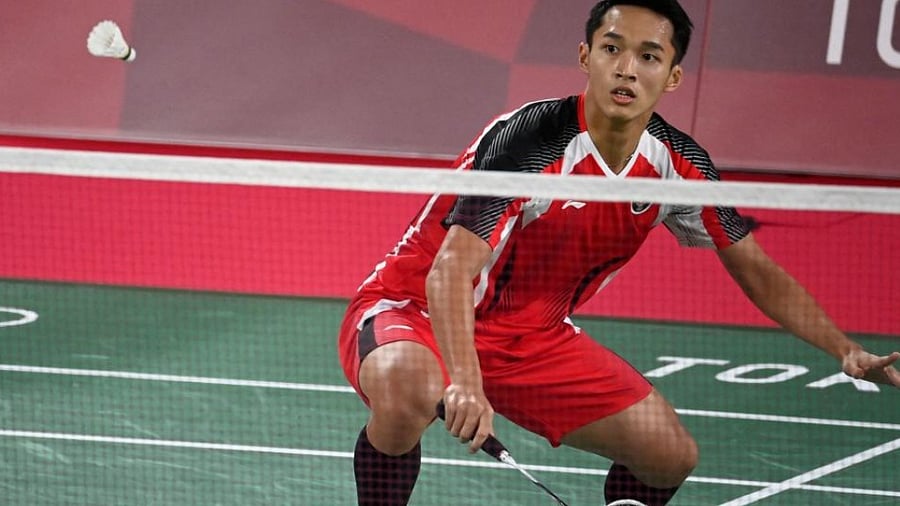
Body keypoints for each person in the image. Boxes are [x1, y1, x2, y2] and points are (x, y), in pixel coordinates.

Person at [337, 1, 900, 504]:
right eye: (612, 48)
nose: (627, 68)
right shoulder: (531, 140)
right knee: (409, 385)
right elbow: (449, 273)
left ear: (674, 75)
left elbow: (753, 266)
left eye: (649, 56)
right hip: (417, 312)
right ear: (586, 56)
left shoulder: (679, 165)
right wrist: (464, 380)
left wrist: (843, 349)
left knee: (669, 456)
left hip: (534, 338)